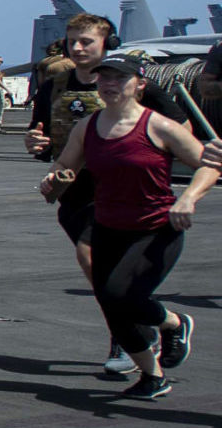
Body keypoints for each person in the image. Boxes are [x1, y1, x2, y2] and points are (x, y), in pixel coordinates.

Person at [43, 51, 214, 397]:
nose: (109, 84)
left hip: (155, 229)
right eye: (104, 77)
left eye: (119, 78)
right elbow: (64, 168)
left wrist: (188, 198)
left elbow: (208, 164)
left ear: (140, 84)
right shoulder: (87, 127)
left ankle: (175, 323)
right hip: (108, 227)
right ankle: (153, 376)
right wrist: (52, 181)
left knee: (123, 295)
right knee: (111, 304)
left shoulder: (159, 126)